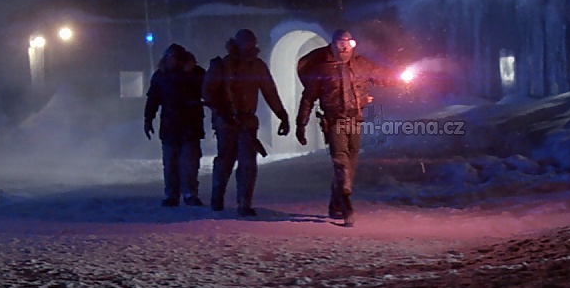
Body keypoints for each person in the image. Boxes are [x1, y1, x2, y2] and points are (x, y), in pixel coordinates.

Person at [295, 28, 395, 227]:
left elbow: (382, 76)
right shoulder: (322, 69)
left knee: (350, 166)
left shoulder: (360, 64)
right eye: (339, 43)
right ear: (332, 44)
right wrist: (301, 124)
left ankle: (336, 205)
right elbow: (308, 98)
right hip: (334, 122)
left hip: (355, 121)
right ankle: (347, 207)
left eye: (346, 42)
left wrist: (400, 78)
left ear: (352, 44)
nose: (343, 47)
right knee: (341, 164)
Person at [202, 29, 290, 217]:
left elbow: (269, 91)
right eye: (246, 43)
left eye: (252, 43)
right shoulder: (223, 65)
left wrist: (282, 115)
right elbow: (208, 92)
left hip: (247, 121)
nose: (249, 47)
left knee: (248, 163)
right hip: (225, 121)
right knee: (225, 160)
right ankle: (217, 197)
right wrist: (221, 111)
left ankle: (244, 203)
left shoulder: (257, 66)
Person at [145, 44, 207, 207]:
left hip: (190, 125)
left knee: (189, 162)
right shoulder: (162, 76)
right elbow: (153, 99)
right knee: (171, 163)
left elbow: (209, 91)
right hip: (171, 125)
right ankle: (172, 194)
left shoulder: (195, 73)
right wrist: (148, 119)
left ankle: (189, 193)